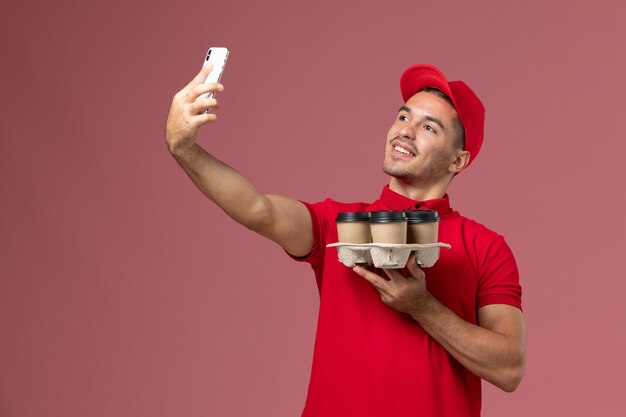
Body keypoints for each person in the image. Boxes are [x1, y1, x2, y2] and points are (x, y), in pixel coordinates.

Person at [165, 62, 525, 417]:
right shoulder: (337, 224)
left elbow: (508, 369)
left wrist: (422, 306)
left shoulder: (486, 247)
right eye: (403, 118)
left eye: (428, 127)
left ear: (458, 161)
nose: (406, 131)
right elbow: (258, 208)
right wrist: (184, 149)